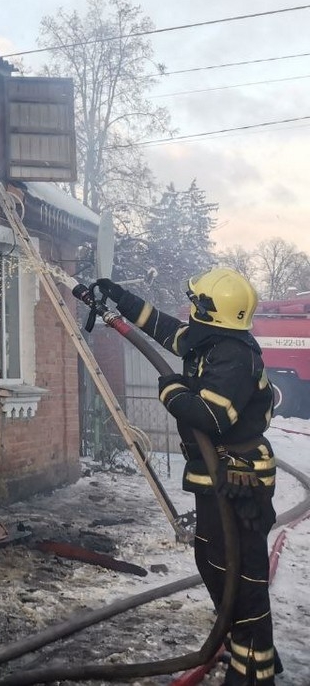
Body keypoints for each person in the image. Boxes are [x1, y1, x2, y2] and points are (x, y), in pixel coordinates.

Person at [96, 269, 280, 684]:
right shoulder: (210, 340)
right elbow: (165, 330)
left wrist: (171, 390)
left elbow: (212, 416)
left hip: (239, 480)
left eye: (198, 303)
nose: (191, 308)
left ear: (214, 313)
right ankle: (240, 647)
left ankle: (255, 669)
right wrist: (119, 298)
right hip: (214, 474)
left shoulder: (234, 357)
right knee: (214, 562)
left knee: (241, 571)